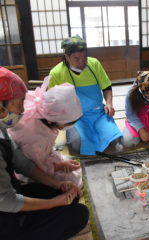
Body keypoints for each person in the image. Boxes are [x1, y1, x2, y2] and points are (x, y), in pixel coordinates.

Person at [0, 67, 89, 240]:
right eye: (18, 103)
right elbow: (7, 201)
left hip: (13, 192)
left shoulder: (3, 129)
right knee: (78, 214)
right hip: (6, 219)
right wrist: (52, 203)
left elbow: (23, 163)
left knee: (71, 196)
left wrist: (57, 185)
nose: (22, 110)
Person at [49, 35, 123, 155]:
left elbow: (106, 87)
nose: (82, 62)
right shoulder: (56, 73)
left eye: (84, 57)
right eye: (76, 59)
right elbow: (52, 101)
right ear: (67, 57)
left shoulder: (94, 64)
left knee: (116, 139)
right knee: (77, 144)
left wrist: (109, 104)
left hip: (97, 113)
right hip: (74, 118)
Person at [8, 77, 83, 187]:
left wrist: (61, 162)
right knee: (73, 179)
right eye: (68, 123)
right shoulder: (36, 138)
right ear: (52, 119)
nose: (70, 126)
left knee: (71, 166)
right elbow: (37, 168)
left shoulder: (42, 116)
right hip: (32, 170)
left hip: (39, 154)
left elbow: (44, 150)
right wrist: (59, 166)